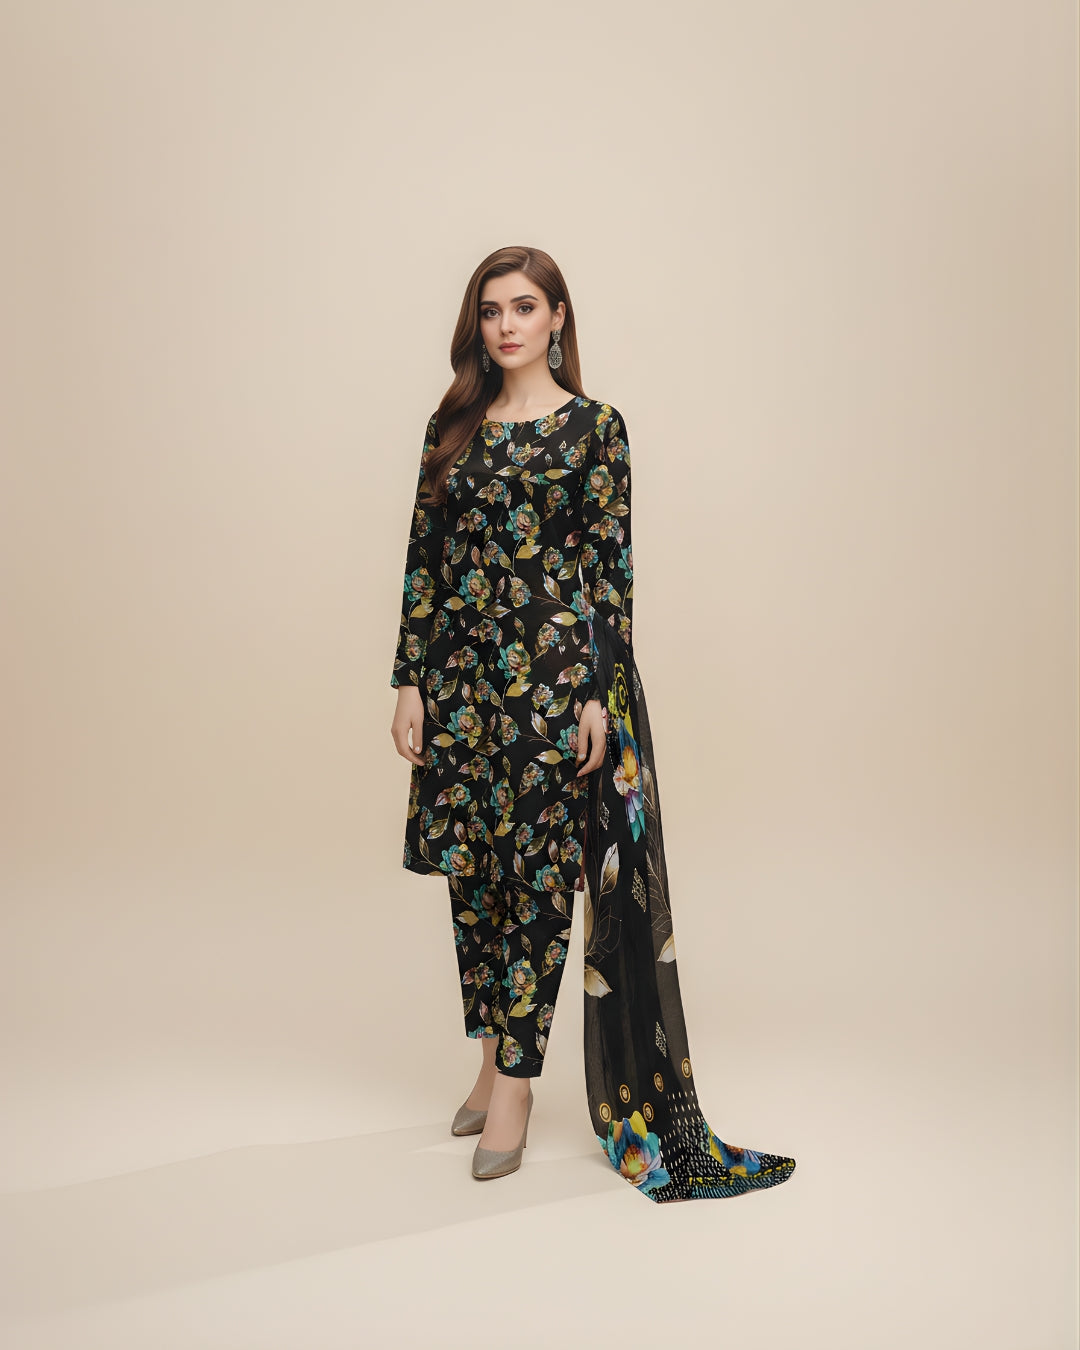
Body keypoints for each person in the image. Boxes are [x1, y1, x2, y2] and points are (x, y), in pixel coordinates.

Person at [390, 246, 797, 1201]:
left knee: (537, 878)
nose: (506, 325)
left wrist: (595, 696)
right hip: (461, 686)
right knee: (476, 874)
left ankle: (517, 1086)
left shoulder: (595, 429)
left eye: (524, 307)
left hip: (550, 684)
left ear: (557, 318)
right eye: (491, 310)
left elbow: (610, 572)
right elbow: (423, 559)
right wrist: (409, 680)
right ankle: (488, 1059)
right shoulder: (452, 426)